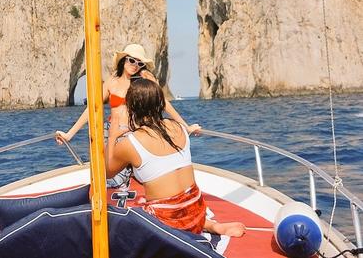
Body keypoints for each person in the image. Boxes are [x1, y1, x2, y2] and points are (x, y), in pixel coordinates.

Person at [105, 78, 245, 237]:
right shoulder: (178, 127)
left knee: (120, 222)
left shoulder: (131, 143)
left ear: (131, 106)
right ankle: (211, 225)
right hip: (197, 212)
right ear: (160, 103)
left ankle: (203, 227)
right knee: (179, 203)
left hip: (167, 225)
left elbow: (108, 172)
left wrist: (112, 137)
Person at [55, 44, 200, 146]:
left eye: (140, 63)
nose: (135, 65)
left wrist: (186, 127)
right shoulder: (112, 82)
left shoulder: (143, 83)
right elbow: (93, 108)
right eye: (132, 60)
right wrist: (69, 134)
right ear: (124, 60)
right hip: (113, 134)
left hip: (136, 133)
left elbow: (163, 103)